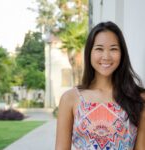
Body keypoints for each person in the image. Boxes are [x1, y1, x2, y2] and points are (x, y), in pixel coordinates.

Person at [55, 21, 145, 150]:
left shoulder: (139, 98)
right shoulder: (70, 99)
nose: (106, 56)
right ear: (89, 53)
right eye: (99, 49)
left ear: (122, 54)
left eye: (113, 49)